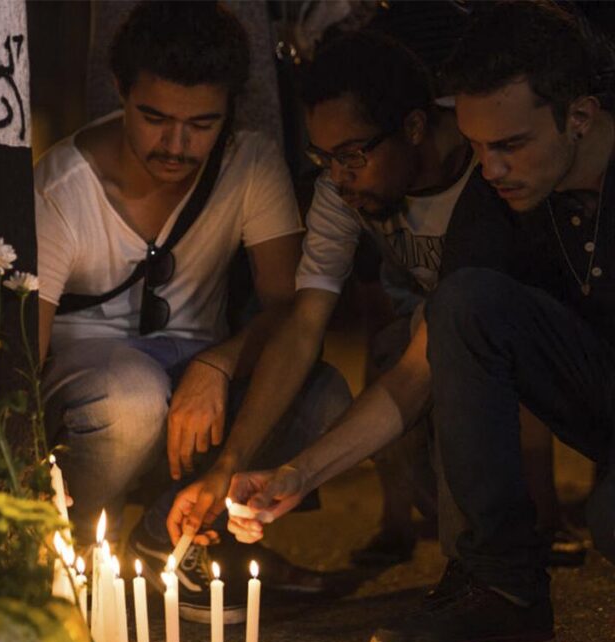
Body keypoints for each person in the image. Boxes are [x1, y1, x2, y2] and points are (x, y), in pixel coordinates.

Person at [224, 1, 614, 642]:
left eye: (510, 144)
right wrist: (295, 471)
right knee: (463, 303)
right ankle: (504, 587)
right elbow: (417, 368)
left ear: (578, 116)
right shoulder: (497, 203)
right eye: (478, 147)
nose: (489, 169)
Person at [35, 1, 350, 623]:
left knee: (324, 399)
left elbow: (286, 310)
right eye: (154, 119)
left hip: (190, 376)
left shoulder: (250, 162)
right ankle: (76, 549)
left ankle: (164, 539)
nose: (177, 145)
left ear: (230, 110)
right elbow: (26, 353)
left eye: (201, 124)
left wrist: (220, 363)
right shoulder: (63, 187)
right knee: (131, 395)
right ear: (120, 92)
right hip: (92, 386)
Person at [166, 29, 481, 562]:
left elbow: (418, 372)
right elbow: (304, 323)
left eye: (353, 155)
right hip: (438, 324)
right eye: (324, 158)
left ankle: (489, 579)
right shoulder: (344, 185)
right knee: (395, 356)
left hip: (530, 337)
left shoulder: (487, 165)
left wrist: (304, 470)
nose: (338, 177)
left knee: (455, 373)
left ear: (414, 127)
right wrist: (232, 463)